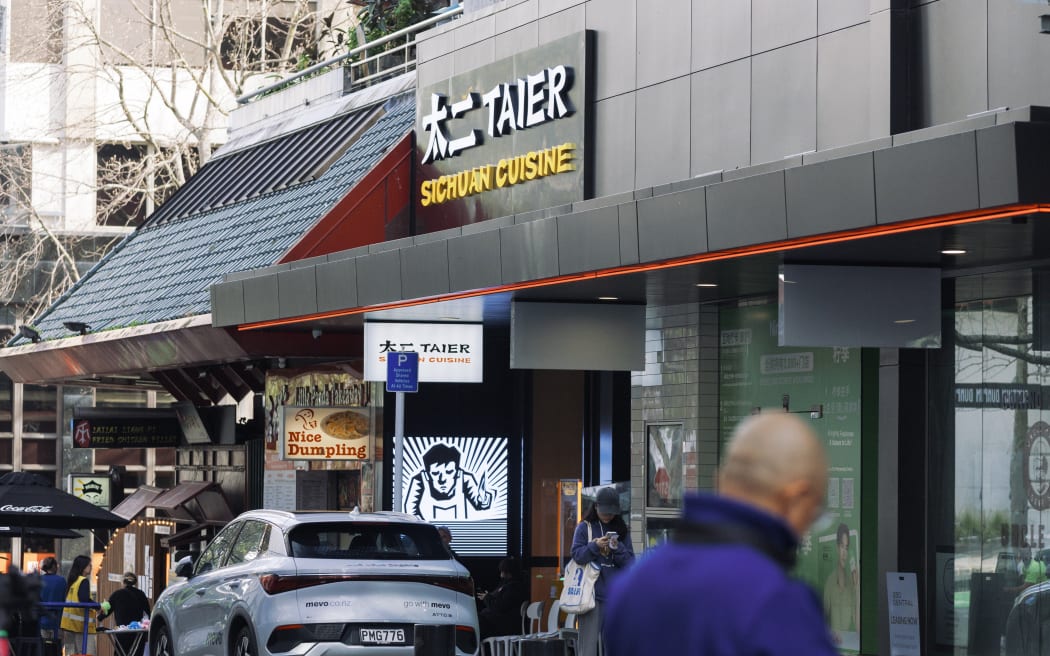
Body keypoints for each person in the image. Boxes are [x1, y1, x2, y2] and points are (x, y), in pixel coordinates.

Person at [603, 412, 838, 656]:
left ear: (720, 480)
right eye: (814, 514)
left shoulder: (631, 586)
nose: (805, 530)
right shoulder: (777, 602)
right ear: (796, 497)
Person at [570, 486, 634, 656]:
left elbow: (630, 562)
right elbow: (577, 555)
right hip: (590, 596)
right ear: (596, 507)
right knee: (588, 648)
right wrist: (594, 546)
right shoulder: (584, 528)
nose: (608, 516)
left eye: (611, 512)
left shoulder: (622, 530)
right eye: (605, 512)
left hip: (615, 596)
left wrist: (617, 547)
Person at [405, 443, 493, 520]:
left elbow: (480, 504)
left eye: (449, 472)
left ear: (457, 472)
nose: (442, 479)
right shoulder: (419, 481)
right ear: (427, 475)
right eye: (435, 473)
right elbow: (410, 511)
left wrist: (483, 499)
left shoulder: (465, 478)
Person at [98, 572, 151, 656]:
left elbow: (107, 610)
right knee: (136, 653)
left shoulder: (117, 594)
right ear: (135, 582)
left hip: (122, 631)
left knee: (120, 652)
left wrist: (99, 618)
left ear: (123, 582)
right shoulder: (141, 594)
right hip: (138, 631)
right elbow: (148, 612)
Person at [823, 523, 859, 643]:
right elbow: (822, 619)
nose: (844, 552)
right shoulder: (830, 582)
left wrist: (857, 586)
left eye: (846, 547)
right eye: (842, 546)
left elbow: (859, 627)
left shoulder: (852, 584)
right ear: (837, 548)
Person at [477, 557, 529, 640]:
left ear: (508, 572)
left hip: (506, 625)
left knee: (476, 620)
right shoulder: (513, 584)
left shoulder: (514, 587)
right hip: (505, 622)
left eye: (502, 571)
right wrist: (489, 596)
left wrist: (487, 598)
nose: (501, 575)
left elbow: (499, 607)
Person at [59, 555, 96, 656]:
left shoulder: (73, 580)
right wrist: (98, 606)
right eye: (89, 565)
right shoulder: (83, 581)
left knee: (71, 653)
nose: (91, 566)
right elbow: (84, 600)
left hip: (68, 625)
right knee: (86, 653)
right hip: (81, 626)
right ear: (83, 567)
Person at [37, 557, 67, 641]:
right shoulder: (61, 580)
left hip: (42, 620)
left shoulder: (39, 580)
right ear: (54, 566)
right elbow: (65, 599)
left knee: (43, 648)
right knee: (56, 648)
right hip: (57, 621)